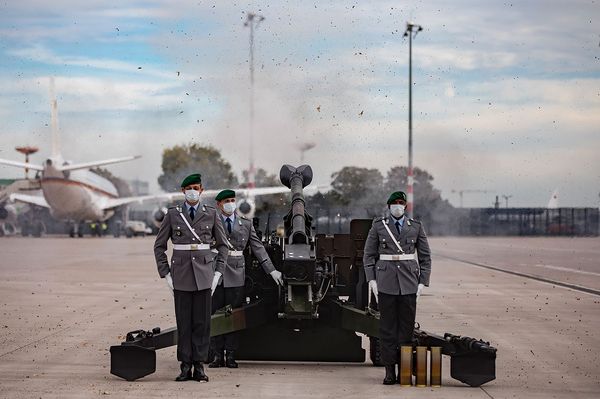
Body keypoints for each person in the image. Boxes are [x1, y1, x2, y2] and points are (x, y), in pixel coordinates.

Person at [154, 173, 229, 382]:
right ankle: (185, 366)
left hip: (205, 276)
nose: (193, 192)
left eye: (196, 188)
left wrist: (218, 272)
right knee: (184, 323)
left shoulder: (211, 213)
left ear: (202, 190)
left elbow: (223, 246)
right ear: (183, 191)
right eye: (189, 188)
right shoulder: (173, 214)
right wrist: (166, 274)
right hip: (181, 276)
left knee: (202, 324)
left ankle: (199, 365)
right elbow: (159, 246)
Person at [209, 189, 284, 369]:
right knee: (215, 314)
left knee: (234, 315)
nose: (230, 203)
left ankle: (231, 354)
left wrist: (272, 271)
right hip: (215, 273)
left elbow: (258, 249)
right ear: (219, 204)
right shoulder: (211, 222)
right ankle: (217, 355)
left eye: (232, 200)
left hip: (236, 273)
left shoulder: (245, 224)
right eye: (226, 201)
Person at [363, 191, 431, 385]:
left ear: (406, 207)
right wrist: (372, 281)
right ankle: (389, 371)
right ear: (389, 206)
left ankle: (404, 370)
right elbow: (368, 256)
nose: (398, 206)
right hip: (385, 283)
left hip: (409, 284)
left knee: (406, 330)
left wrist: (422, 283)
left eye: (401, 203)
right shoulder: (378, 226)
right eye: (394, 203)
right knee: (387, 330)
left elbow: (425, 257)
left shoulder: (416, 227)